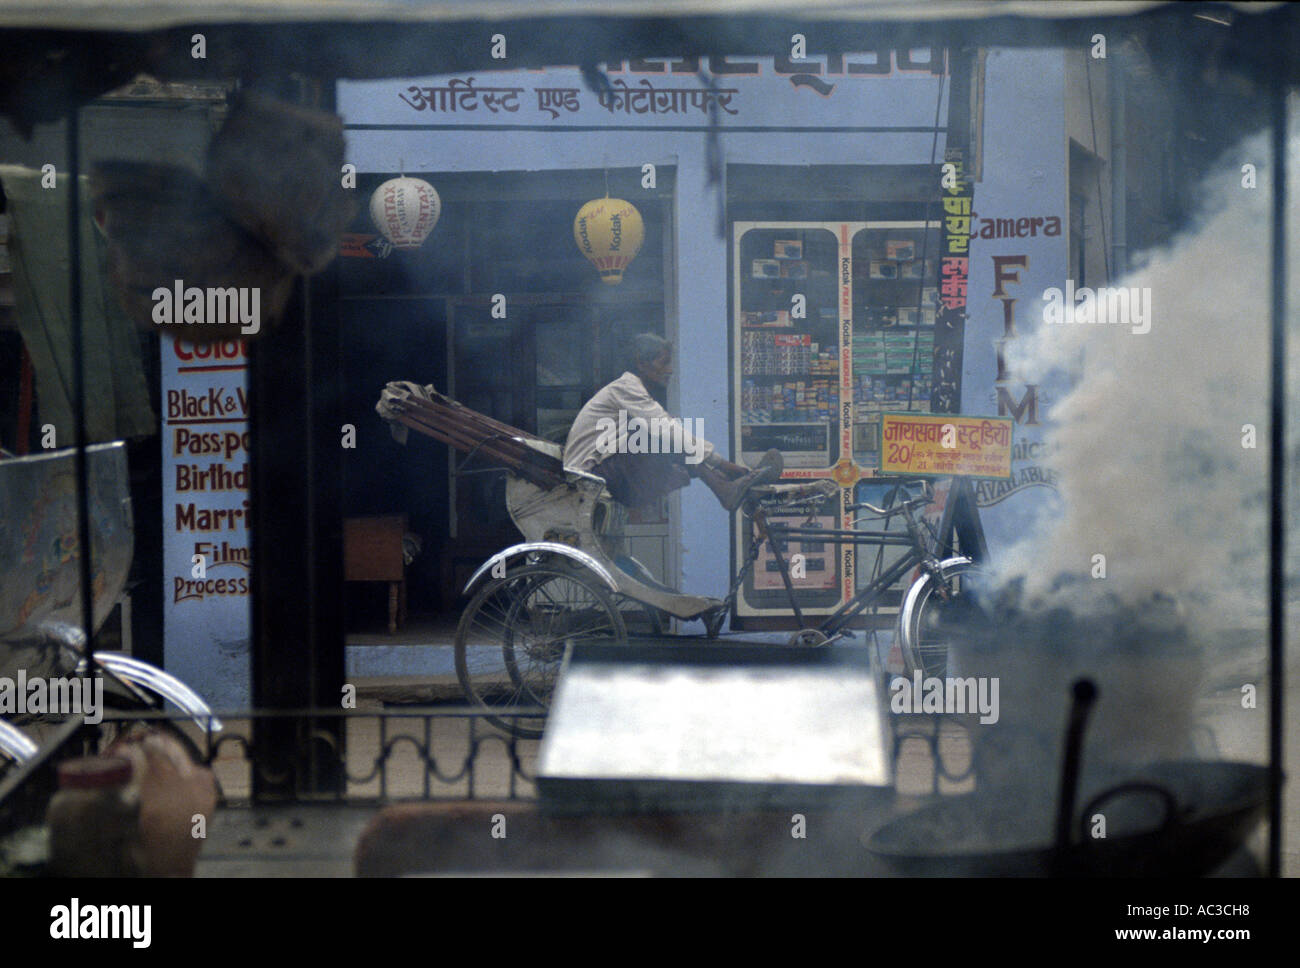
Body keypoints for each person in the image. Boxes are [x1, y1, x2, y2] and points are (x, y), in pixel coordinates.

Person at [564, 333, 781, 510]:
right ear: (641, 363)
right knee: (665, 435)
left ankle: (727, 484)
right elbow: (666, 431)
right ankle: (727, 483)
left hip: (601, 473)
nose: (670, 370)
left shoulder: (632, 391)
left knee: (670, 435)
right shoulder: (626, 388)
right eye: (663, 362)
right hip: (590, 477)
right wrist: (722, 463)